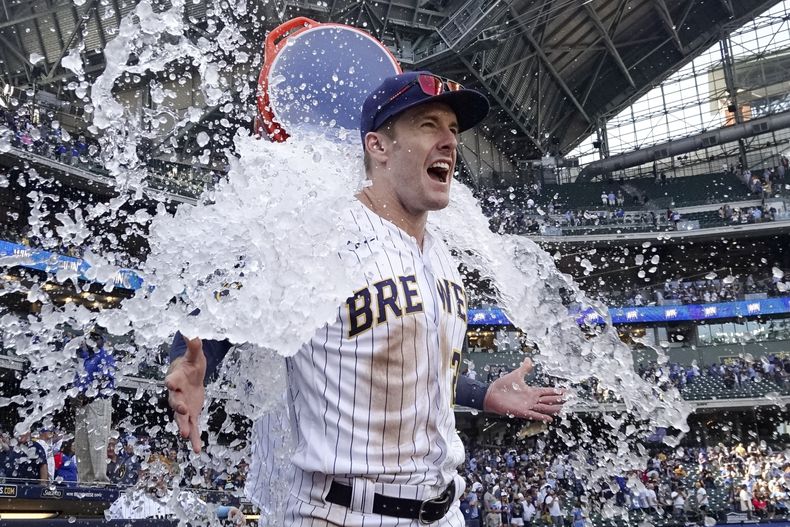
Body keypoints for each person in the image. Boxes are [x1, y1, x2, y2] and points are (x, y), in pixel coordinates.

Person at [165, 70, 565, 526]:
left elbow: (405, 369)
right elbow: (221, 311)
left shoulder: (442, 256)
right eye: (429, 125)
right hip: (339, 512)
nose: (450, 142)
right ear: (378, 147)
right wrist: (191, 362)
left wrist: (482, 394)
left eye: (454, 130)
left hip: (445, 512)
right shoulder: (322, 234)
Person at [73, 330, 115, 484]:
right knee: (82, 445)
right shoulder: (84, 358)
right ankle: (84, 481)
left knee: (97, 442)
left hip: (97, 402)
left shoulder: (104, 355)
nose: (92, 341)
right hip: (82, 405)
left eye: (96, 338)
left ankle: (100, 481)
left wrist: (88, 392)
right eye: (90, 338)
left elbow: (104, 378)